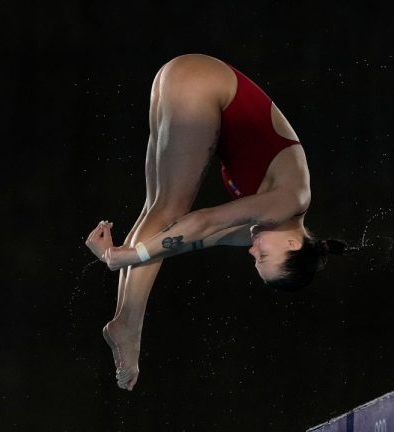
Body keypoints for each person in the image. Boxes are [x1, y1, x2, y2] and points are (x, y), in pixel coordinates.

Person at [84, 54, 346, 391]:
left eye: (255, 259)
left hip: (181, 81)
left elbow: (181, 240)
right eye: (263, 257)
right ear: (294, 244)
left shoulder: (253, 230)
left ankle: (125, 321)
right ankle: (128, 326)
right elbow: (202, 221)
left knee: (157, 211)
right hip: (201, 85)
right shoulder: (293, 200)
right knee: (169, 211)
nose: (253, 251)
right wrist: (128, 257)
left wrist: (118, 253)